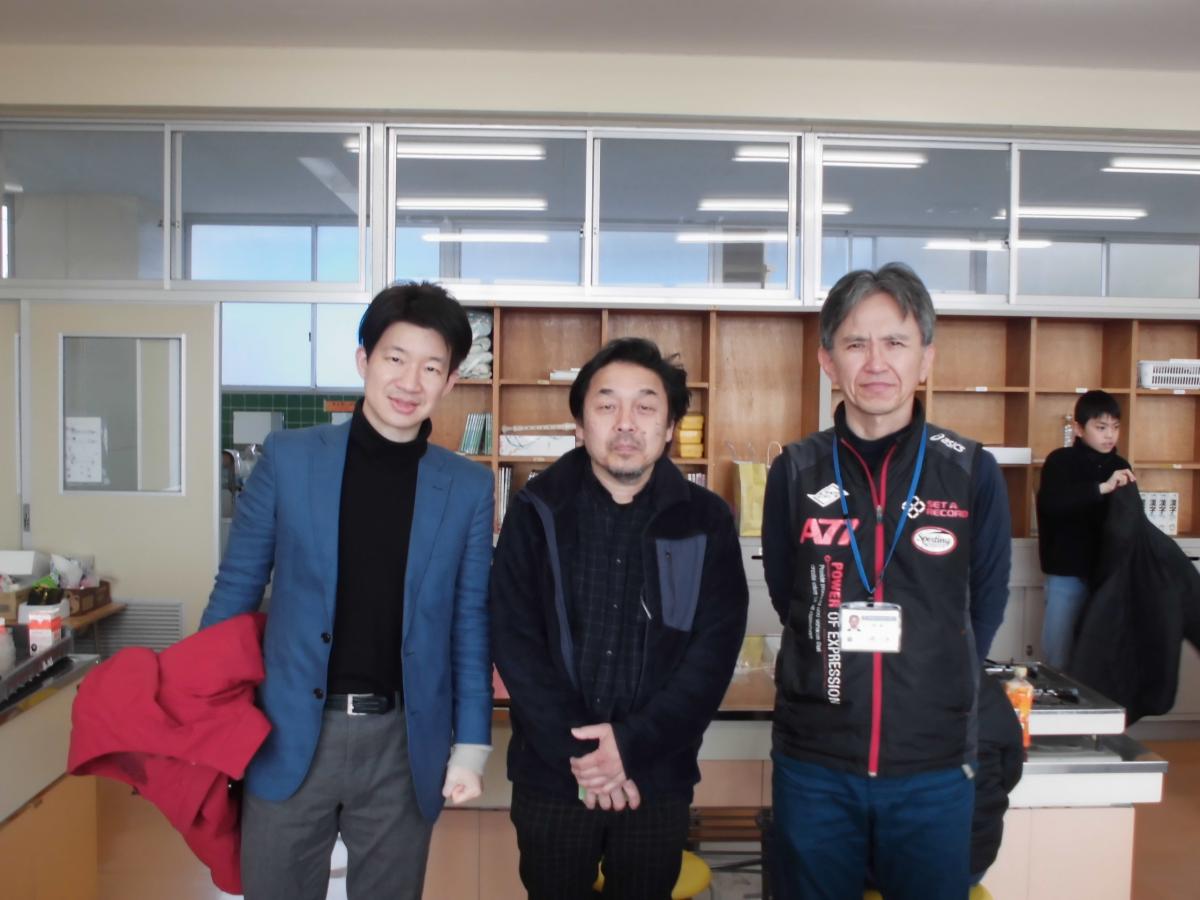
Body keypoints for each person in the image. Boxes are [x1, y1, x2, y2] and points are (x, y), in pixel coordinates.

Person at [200, 282, 494, 900]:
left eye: (431, 367)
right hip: (284, 730)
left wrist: (471, 745)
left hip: (403, 739)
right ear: (364, 360)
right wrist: (205, 710)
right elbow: (236, 590)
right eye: (395, 358)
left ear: (450, 381)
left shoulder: (466, 486)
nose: (409, 381)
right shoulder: (289, 458)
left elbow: (469, 621)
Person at [762, 263, 1012, 900]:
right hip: (815, 764)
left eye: (896, 342)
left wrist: (933, 681)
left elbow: (984, 603)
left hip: (932, 767)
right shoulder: (795, 470)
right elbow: (790, 596)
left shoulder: (971, 471)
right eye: (855, 343)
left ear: (925, 358)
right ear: (827, 360)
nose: (876, 362)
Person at [490, 337, 748, 900]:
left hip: (655, 775)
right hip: (553, 776)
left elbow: (711, 654)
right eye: (607, 405)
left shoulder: (705, 521)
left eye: (645, 406)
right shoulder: (535, 511)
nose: (626, 422)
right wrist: (587, 757)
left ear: (670, 426)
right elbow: (514, 640)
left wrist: (630, 747)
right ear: (580, 426)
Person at [1036, 389, 1134, 669]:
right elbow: (1052, 503)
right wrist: (1101, 488)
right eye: (1101, 427)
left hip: (1107, 576)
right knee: (1058, 656)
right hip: (1066, 573)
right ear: (1079, 429)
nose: (1109, 435)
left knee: (1101, 659)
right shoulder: (1060, 461)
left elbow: (1128, 520)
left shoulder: (1120, 465)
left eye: (1115, 427)